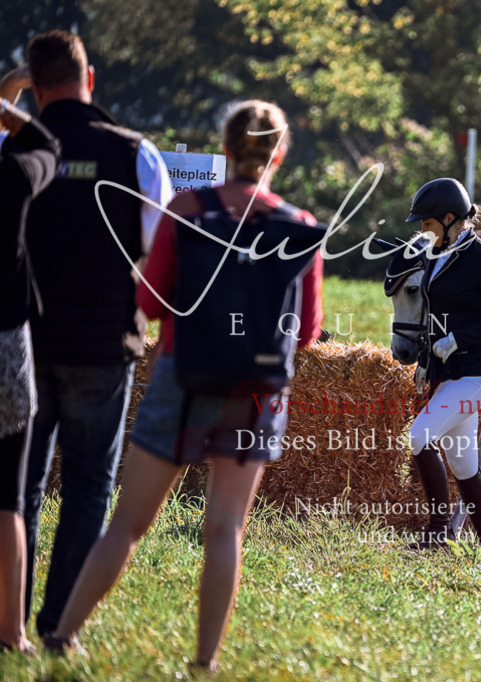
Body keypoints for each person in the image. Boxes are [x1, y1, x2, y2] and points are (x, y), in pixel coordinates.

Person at [46, 100, 324, 670]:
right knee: (225, 531)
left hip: (183, 374)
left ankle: (61, 637)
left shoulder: (187, 210)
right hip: (255, 391)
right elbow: (307, 331)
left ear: (225, 148)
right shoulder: (299, 227)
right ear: (279, 155)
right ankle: (203, 663)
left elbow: (149, 301)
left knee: (128, 524)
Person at [17, 30, 173, 640]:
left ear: (35, 87)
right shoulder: (136, 154)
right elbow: (160, 257)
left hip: (24, 342)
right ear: (90, 80)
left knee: (19, 486)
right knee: (87, 488)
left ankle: (9, 622)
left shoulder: (12, 150)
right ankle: (61, 625)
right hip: (104, 344)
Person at [404, 178, 481, 551]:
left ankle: (439, 533)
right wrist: (426, 361)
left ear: (450, 218)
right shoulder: (435, 254)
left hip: (480, 371)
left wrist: (458, 339)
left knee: (420, 436)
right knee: (463, 464)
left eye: (428, 223)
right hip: (452, 372)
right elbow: (434, 315)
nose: (424, 230)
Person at [0, 87, 60, 655]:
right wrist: (6, 105)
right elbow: (48, 145)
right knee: (9, 499)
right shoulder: (12, 175)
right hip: (5, 345)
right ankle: (11, 632)